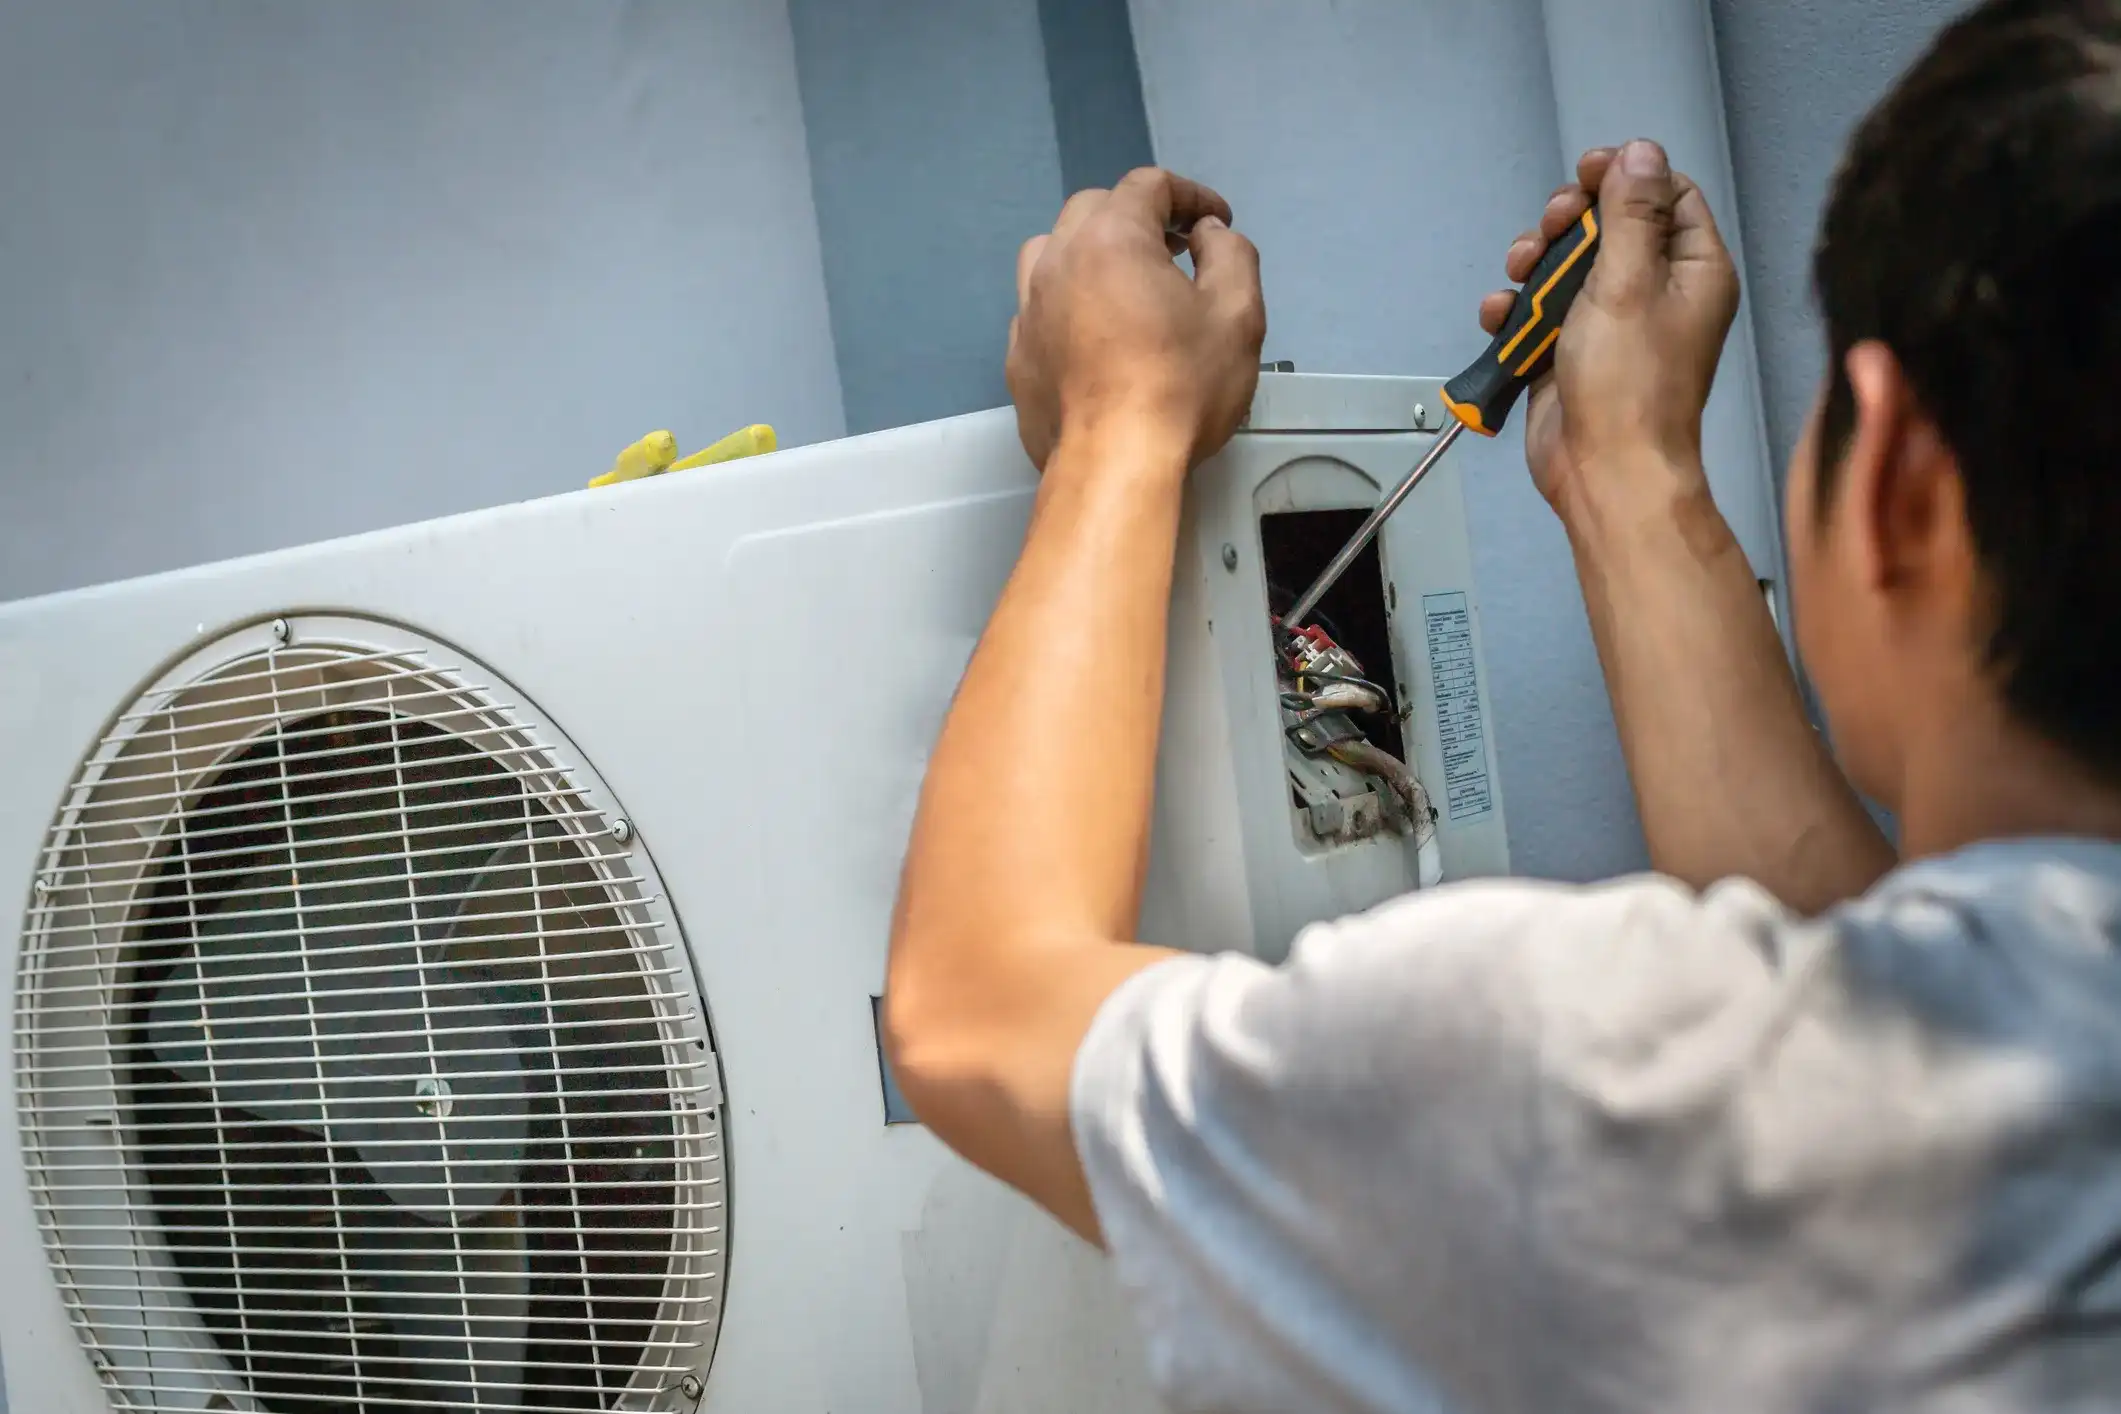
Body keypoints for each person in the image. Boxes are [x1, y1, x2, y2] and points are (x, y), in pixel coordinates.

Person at [883, 0, 2121, 1408]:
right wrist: (1627, 467)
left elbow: (977, 1011)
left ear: (1897, 485)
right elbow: (1862, 984)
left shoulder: (1583, 1081)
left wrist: (1118, 422)